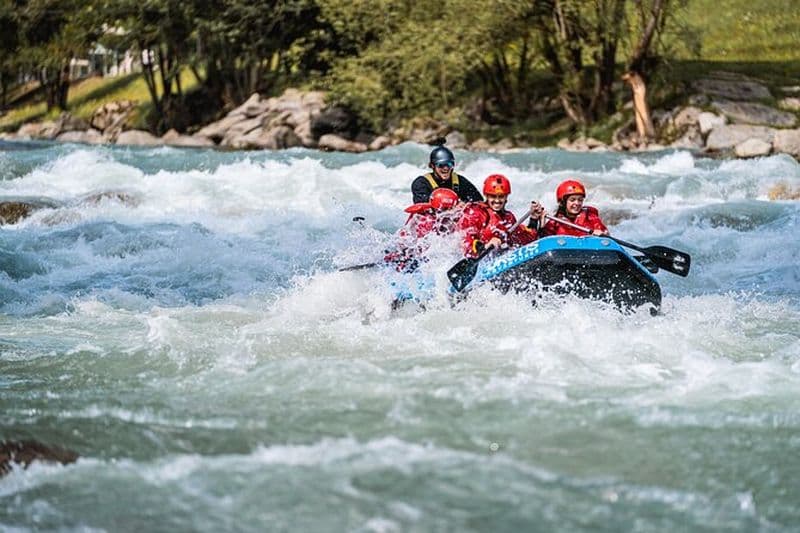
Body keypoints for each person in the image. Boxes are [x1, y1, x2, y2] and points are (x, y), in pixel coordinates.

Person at [458, 174, 544, 258]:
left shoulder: (509, 218)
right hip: (482, 261)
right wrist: (485, 246)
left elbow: (526, 240)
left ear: (506, 197)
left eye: (501, 196)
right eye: (493, 196)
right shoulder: (476, 212)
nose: (497, 200)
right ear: (486, 196)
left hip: (501, 259)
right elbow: (466, 241)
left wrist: (534, 218)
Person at [385, 188, 463, 271]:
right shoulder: (426, 222)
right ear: (441, 209)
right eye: (451, 209)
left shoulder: (441, 217)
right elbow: (421, 248)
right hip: (407, 259)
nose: (455, 211)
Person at [411, 145, 483, 204]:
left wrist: (465, 205)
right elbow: (422, 205)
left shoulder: (461, 181)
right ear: (432, 166)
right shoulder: (421, 183)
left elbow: (478, 201)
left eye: (449, 164)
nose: (446, 168)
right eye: (441, 165)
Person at [537, 179, 609, 237]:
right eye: (572, 200)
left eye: (580, 200)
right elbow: (544, 241)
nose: (577, 203)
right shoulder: (554, 222)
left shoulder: (591, 217)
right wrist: (542, 224)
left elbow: (605, 235)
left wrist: (602, 234)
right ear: (563, 203)